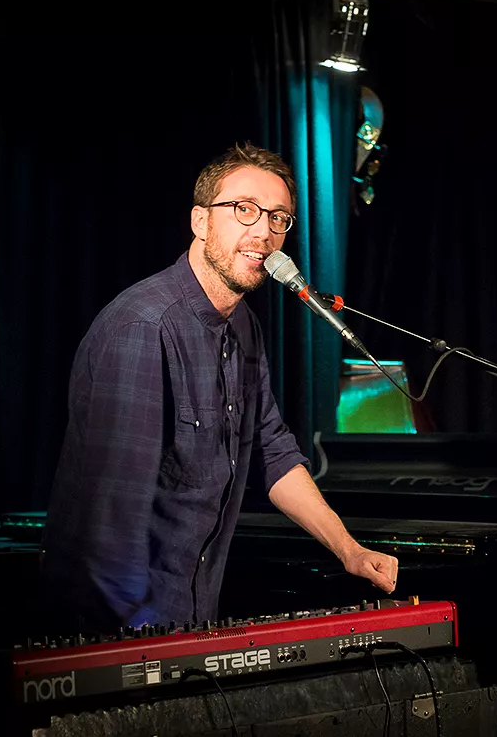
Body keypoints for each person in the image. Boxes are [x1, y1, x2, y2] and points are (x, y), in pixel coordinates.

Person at [40, 143, 398, 633]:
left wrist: (348, 549)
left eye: (278, 218)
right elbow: (112, 525)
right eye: (244, 209)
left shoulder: (244, 326)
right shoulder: (144, 327)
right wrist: (149, 650)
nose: (264, 232)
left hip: (190, 615)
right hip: (123, 628)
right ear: (200, 221)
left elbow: (273, 452)